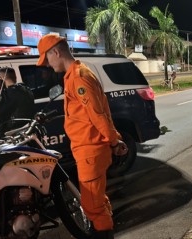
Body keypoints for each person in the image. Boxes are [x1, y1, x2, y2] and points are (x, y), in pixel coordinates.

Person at [36, 34, 128, 239]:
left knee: (93, 205)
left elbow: (97, 115)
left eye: (47, 59)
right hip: (87, 149)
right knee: (96, 201)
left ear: (56, 52)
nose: (48, 65)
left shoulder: (79, 77)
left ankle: (102, 234)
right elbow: (101, 111)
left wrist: (114, 140)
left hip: (90, 150)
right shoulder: (76, 75)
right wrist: (114, 138)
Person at [0, 67, 35, 137]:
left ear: (0, 78)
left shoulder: (7, 95)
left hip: (14, 132)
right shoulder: (26, 89)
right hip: (28, 128)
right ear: (15, 76)